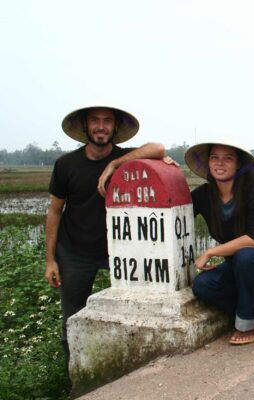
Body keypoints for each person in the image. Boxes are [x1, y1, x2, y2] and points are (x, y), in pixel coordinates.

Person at [44, 104, 175, 369]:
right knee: (71, 320)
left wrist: (114, 164)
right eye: (95, 120)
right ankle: (75, 379)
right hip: (74, 252)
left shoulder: (127, 157)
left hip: (118, 251)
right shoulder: (66, 164)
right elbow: (55, 211)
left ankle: (128, 369)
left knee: (135, 309)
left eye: (107, 121)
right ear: (85, 126)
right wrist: (50, 260)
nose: (101, 126)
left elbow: (158, 148)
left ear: (115, 127)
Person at [184, 139, 254, 345]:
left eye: (227, 158)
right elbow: (176, 208)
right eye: (214, 157)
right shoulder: (204, 195)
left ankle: (248, 323)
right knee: (203, 285)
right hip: (237, 267)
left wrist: (211, 252)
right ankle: (251, 311)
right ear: (208, 162)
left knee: (246, 254)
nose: (219, 163)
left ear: (238, 164)